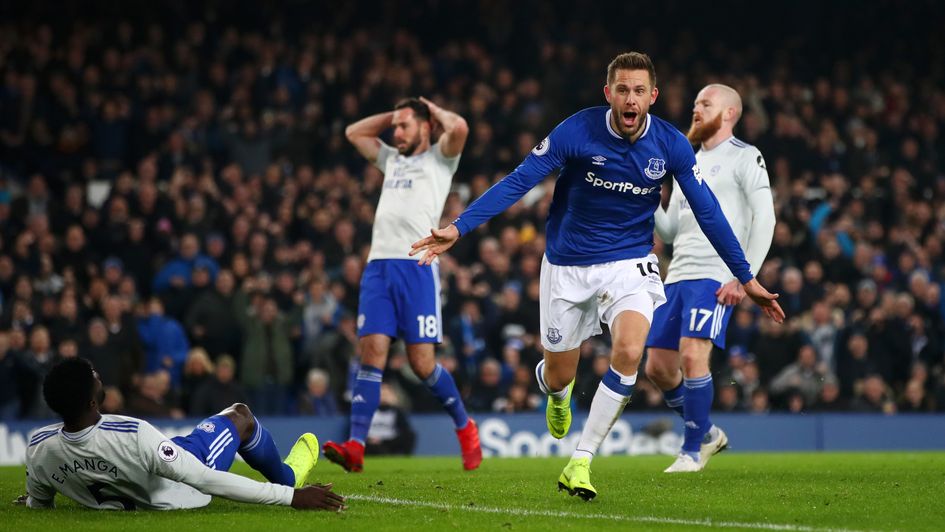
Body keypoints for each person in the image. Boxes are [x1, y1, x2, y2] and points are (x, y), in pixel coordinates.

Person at [411, 52, 784, 500]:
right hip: (567, 267)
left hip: (630, 264)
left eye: (639, 91)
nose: (631, 99)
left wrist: (746, 277)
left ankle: (581, 461)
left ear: (653, 97)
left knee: (630, 350)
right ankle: (555, 391)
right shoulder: (577, 130)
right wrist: (458, 227)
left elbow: (710, 214)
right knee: (559, 375)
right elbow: (519, 180)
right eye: (622, 90)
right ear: (608, 94)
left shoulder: (670, 145)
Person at [323, 97, 482, 472]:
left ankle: (465, 428)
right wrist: (395, 114)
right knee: (372, 353)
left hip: (417, 266)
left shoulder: (441, 158)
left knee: (423, 365)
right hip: (378, 266)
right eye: (395, 127)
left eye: (404, 125)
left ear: (426, 128)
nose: (396, 132)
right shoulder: (392, 158)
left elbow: (459, 128)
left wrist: (430, 108)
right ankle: (356, 447)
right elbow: (353, 132)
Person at [645, 83, 776, 473]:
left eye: (706, 103)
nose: (696, 108)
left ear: (730, 113)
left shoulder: (745, 157)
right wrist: (650, 192)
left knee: (692, 355)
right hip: (677, 276)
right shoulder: (687, 162)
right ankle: (707, 433)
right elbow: (668, 232)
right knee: (658, 368)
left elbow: (764, 218)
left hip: (716, 275)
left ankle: (690, 452)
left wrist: (744, 276)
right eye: (695, 102)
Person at [21, 357, 344, 511]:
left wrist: (33, 500)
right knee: (240, 415)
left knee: (174, 447)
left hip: (157, 462)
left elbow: (39, 502)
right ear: (92, 399)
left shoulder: (39, 447)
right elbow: (204, 479)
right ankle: (289, 478)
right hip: (182, 484)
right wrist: (290, 498)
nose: (98, 374)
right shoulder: (132, 432)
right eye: (93, 375)